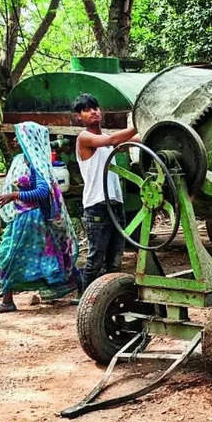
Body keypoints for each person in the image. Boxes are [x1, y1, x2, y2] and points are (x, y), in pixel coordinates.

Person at [0, 122, 79, 314]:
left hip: (33, 219)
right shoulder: (21, 160)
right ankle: (7, 299)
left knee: (13, 257)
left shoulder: (37, 163)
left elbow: (43, 192)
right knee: (21, 256)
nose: (14, 140)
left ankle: (8, 300)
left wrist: (15, 196)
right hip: (21, 217)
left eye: (18, 136)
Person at [73, 93, 141, 289]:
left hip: (115, 203)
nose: (93, 112)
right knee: (96, 258)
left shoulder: (105, 140)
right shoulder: (85, 138)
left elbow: (135, 139)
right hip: (97, 206)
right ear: (79, 117)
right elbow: (112, 139)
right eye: (87, 110)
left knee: (115, 258)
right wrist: (138, 123)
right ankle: (85, 298)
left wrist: (152, 127)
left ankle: (109, 298)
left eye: (95, 107)